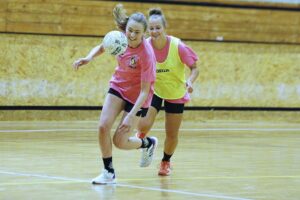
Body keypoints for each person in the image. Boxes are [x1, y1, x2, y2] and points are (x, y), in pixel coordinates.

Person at [73, 4, 158, 184]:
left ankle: (148, 143)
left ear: (144, 34)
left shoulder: (147, 54)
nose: (132, 35)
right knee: (103, 126)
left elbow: (145, 91)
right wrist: (88, 58)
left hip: (138, 98)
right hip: (118, 87)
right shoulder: (119, 38)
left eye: (137, 32)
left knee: (120, 141)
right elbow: (103, 46)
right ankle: (108, 172)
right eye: (130, 30)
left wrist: (131, 116)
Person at [137, 8, 199, 176]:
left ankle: (165, 162)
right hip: (155, 89)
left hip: (176, 92)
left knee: (171, 134)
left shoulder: (178, 46)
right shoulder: (145, 45)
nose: (154, 31)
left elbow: (194, 68)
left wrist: (190, 81)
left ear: (164, 27)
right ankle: (147, 144)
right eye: (151, 28)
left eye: (158, 27)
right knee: (143, 125)